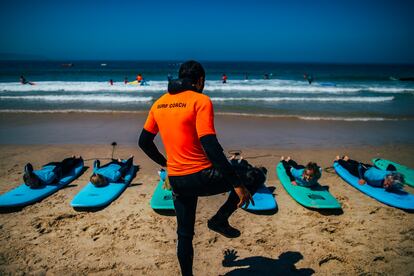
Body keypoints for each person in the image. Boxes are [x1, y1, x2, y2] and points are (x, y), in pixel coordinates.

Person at [138, 60, 261, 276]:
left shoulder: (158, 104)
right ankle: (220, 219)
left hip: (176, 179)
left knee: (184, 235)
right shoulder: (201, 100)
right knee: (254, 175)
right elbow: (211, 147)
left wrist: (166, 164)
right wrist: (237, 184)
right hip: (200, 176)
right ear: (201, 80)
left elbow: (144, 142)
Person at [335, 156, 404, 191]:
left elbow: (392, 168)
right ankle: (339, 159)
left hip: (369, 168)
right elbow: (360, 167)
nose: (387, 186)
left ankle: (348, 159)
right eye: (388, 184)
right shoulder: (375, 178)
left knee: (359, 164)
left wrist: (391, 185)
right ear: (387, 177)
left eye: (390, 185)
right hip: (363, 170)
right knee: (350, 167)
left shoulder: (391, 176)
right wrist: (361, 178)